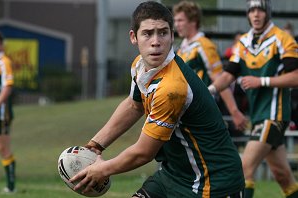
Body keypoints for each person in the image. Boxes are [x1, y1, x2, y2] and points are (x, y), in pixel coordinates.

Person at [70, 1, 245, 197]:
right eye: (147, 33)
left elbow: (144, 152)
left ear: (172, 35)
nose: (156, 41)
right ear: (133, 37)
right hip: (175, 174)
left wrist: (102, 169)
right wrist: (95, 145)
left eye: (162, 33)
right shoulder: (139, 66)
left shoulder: (172, 88)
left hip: (213, 183)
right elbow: (133, 106)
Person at [208, 0, 298, 197]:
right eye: (252, 10)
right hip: (258, 116)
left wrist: (262, 81)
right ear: (247, 14)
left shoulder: (283, 39)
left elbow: (296, 77)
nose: (256, 14)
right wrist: (210, 90)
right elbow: (229, 74)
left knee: (244, 169)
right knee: (283, 176)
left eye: (260, 10)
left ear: (268, 13)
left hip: (274, 115)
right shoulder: (244, 43)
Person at [173, 1, 247, 132]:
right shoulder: (182, 47)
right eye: (175, 20)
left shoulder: (204, 45)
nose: (176, 25)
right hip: (185, 110)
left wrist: (234, 112)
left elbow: (220, 79)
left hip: (201, 110)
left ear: (193, 21)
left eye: (180, 20)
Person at [0, 31, 16, 193]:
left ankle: (11, 187)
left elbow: (7, 87)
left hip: (1, 113)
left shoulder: (4, 62)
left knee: (2, 148)